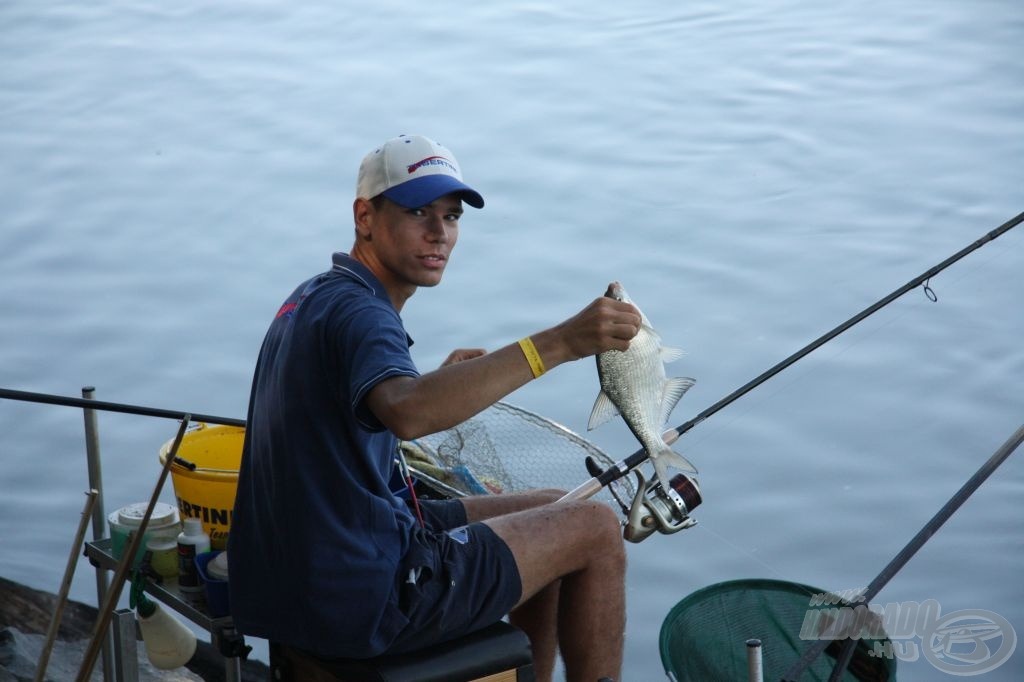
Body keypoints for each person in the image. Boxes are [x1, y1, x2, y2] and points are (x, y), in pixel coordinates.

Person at [228, 134, 640, 682]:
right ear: (364, 217)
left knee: (553, 506)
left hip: (298, 578)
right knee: (594, 527)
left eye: (450, 216)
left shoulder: (316, 296)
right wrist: (562, 342)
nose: (439, 232)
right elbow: (407, 411)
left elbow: (371, 411)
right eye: (418, 211)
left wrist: (434, 383)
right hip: (361, 596)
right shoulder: (365, 315)